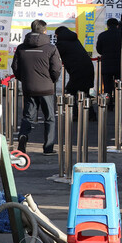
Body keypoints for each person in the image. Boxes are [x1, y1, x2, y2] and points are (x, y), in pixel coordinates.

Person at [11, 19, 62, 155]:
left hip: (29, 87)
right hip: (46, 88)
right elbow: (56, 68)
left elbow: (15, 67)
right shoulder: (51, 48)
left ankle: (22, 140)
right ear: (45, 31)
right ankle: (48, 147)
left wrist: (24, 79)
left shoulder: (21, 48)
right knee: (49, 117)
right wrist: (52, 80)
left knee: (27, 116)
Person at [54, 26, 96, 121]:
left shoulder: (61, 44)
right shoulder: (74, 40)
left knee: (70, 92)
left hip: (78, 71)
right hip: (88, 68)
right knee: (85, 93)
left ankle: (75, 114)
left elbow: (54, 57)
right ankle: (91, 115)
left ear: (58, 35)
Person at [95, 17, 121, 109]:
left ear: (107, 25)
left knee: (107, 86)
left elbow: (99, 50)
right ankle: (119, 103)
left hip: (106, 64)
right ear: (117, 25)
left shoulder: (102, 35)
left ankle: (108, 104)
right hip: (119, 64)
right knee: (119, 85)